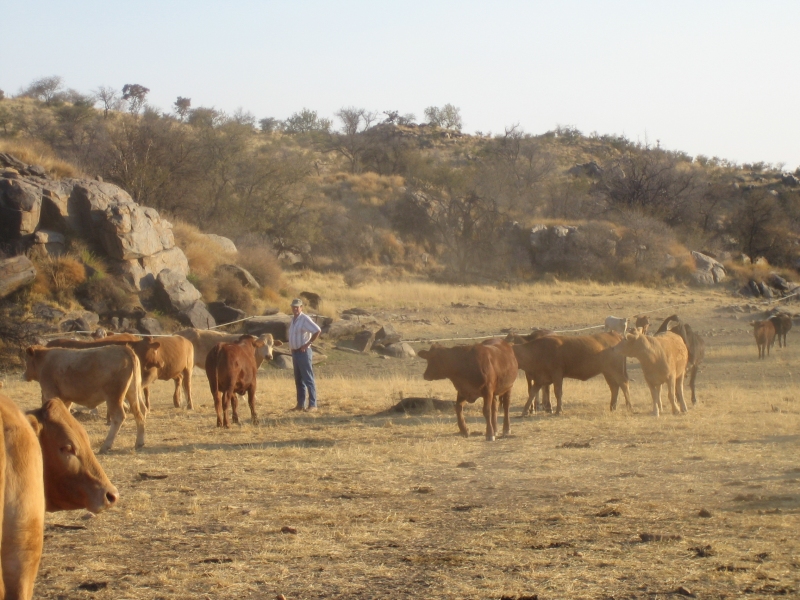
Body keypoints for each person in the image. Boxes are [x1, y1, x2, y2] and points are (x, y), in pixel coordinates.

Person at [288, 298, 321, 411]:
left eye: (297, 307)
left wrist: (308, 344)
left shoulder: (304, 318)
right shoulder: (293, 319)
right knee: (298, 380)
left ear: (301, 307)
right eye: (294, 306)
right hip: (295, 352)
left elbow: (317, 330)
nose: (295, 308)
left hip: (303, 352)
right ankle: (300, 405)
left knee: (308, 379)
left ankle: (313, 404)